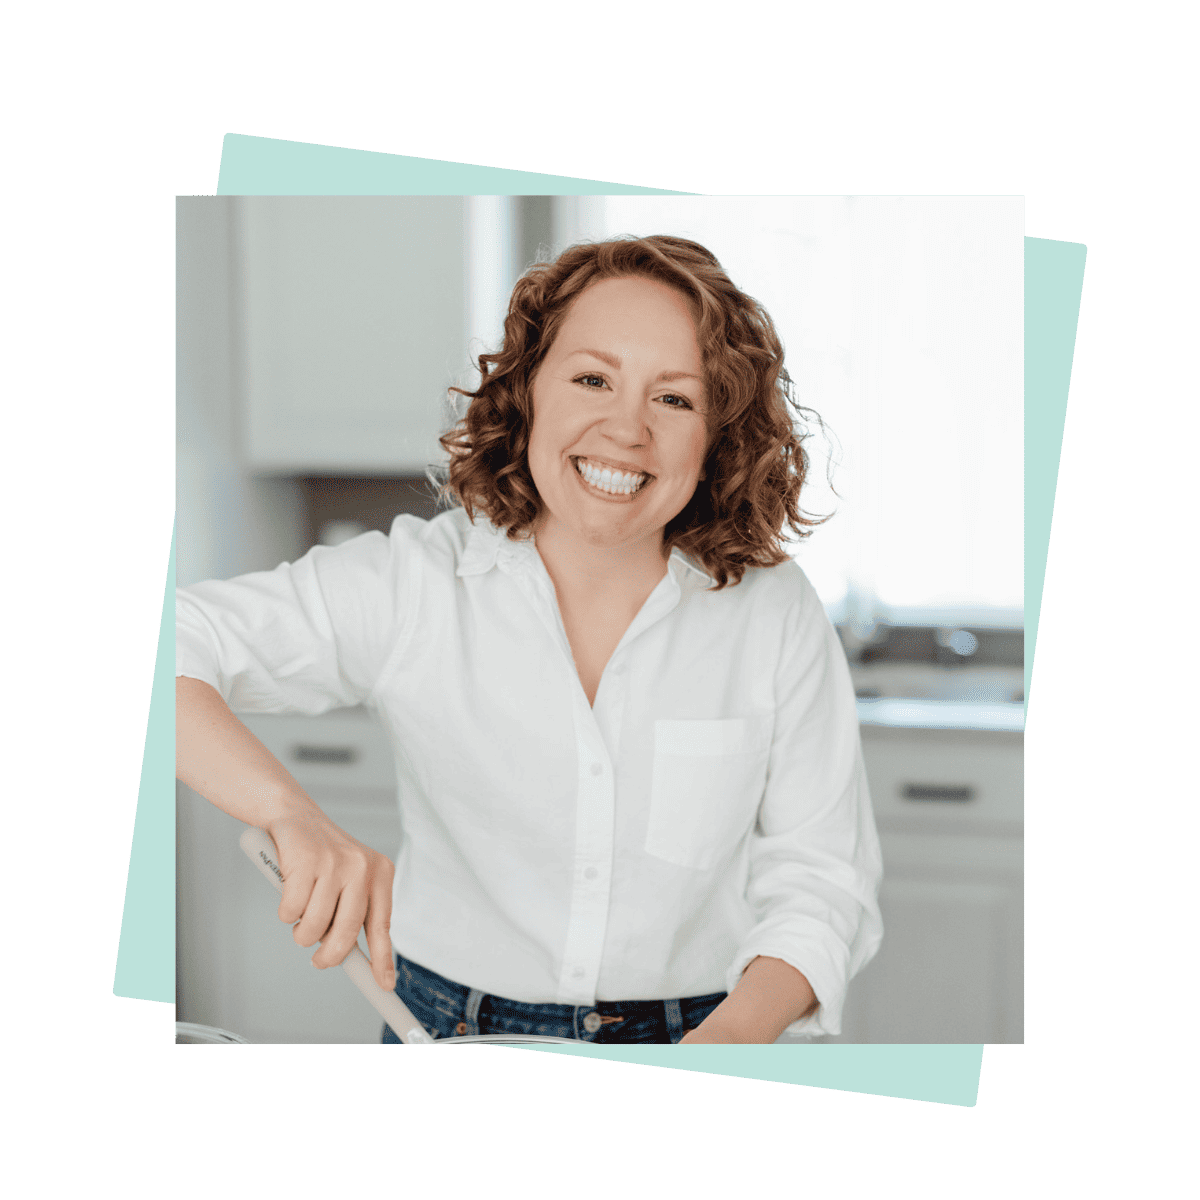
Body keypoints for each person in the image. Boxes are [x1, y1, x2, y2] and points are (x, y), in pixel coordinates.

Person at [176, 234, 883, 1045]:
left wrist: (723, 1044)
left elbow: (822, 882)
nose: (627, 429)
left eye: (675, 399)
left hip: (706, 1033)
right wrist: (288, 812)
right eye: (592, 379)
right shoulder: (416, 583)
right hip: (442, 1026)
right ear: (528, 392)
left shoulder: (773, 611)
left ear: (716, 434)